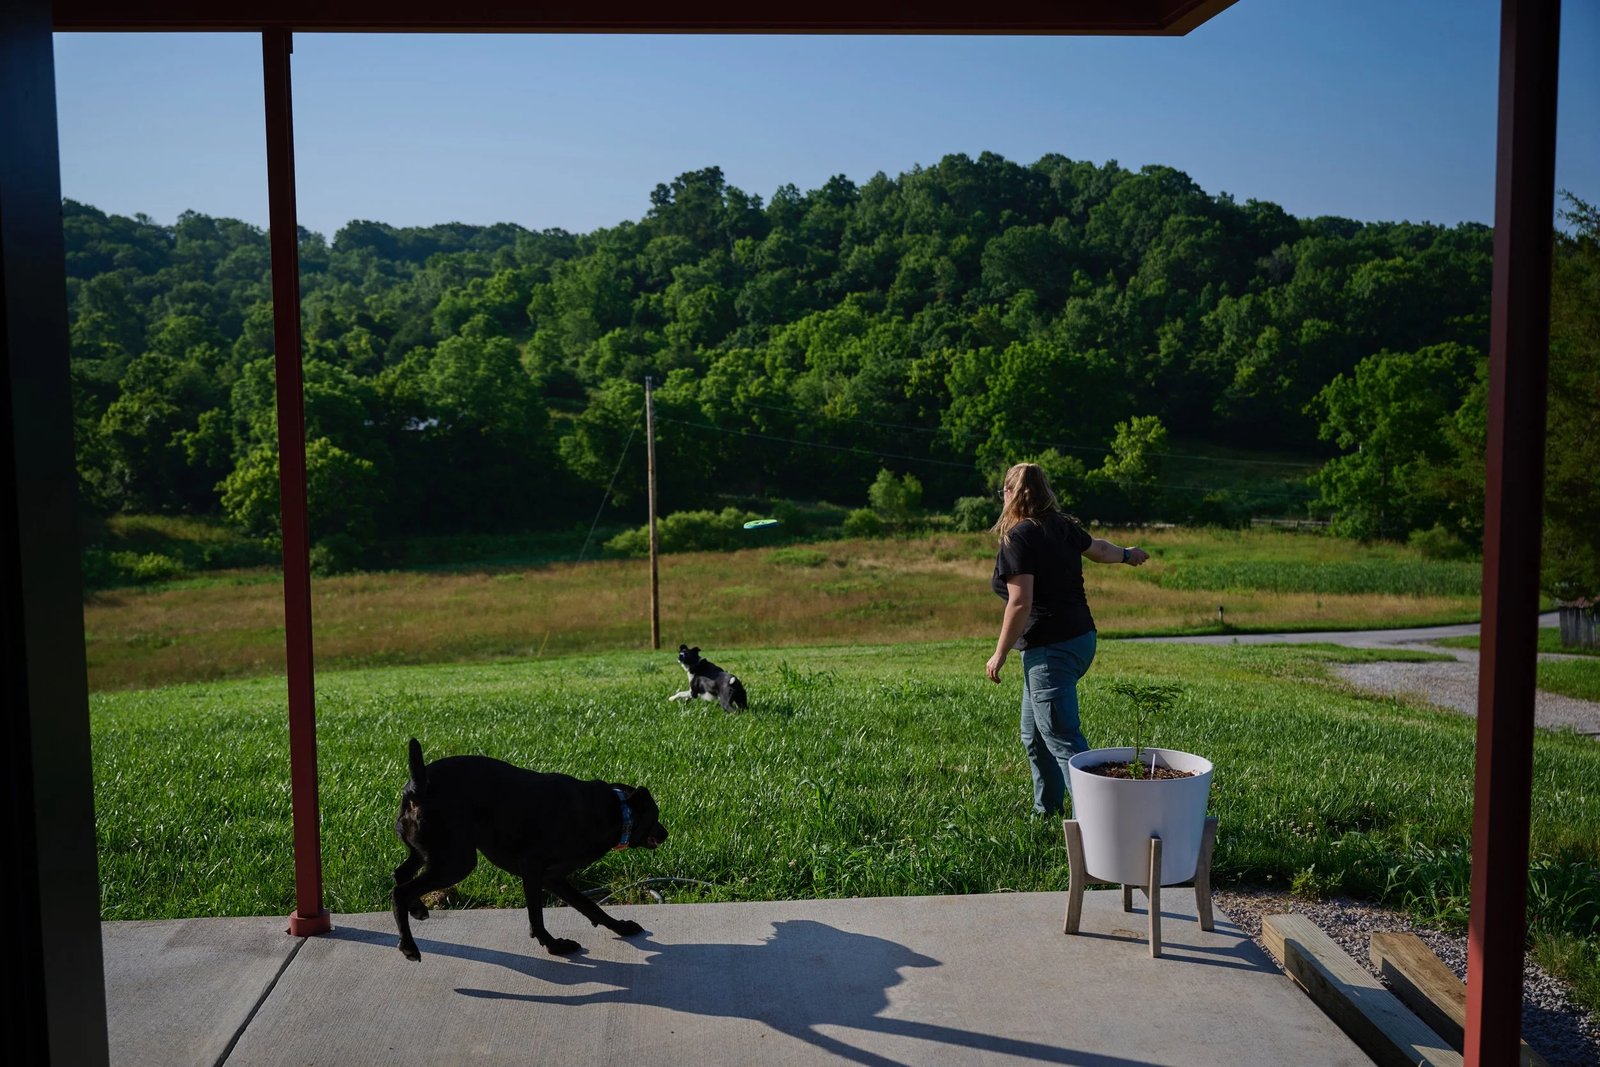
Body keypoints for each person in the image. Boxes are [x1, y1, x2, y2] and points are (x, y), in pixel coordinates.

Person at [985, 462, 1149, 816]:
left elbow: (1020, 602)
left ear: (1011, 494)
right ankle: (1047, 812)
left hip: (1051, 649)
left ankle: (1105, 822)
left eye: (1003, 492)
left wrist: (999, 654)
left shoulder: (1019, 537)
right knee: (1035, 736)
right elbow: (1100, 549)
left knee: (1062, 738)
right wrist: (1127, 555)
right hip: (1079, 639)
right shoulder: (1062, 527)